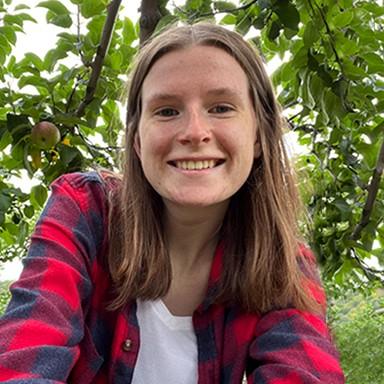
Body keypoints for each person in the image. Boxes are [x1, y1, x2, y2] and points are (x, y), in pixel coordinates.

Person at [0, 22, 345, 383]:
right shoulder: (86, 211)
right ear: (137, 141)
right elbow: (23, 355)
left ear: (259, 136)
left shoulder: (281, 263)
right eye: (166, 111)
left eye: (222, 107)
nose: (194, 132)